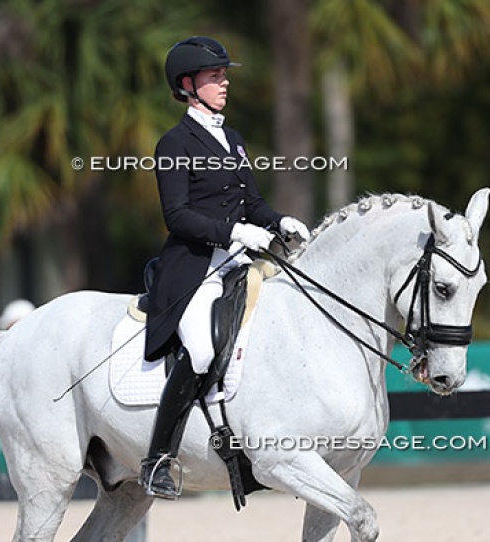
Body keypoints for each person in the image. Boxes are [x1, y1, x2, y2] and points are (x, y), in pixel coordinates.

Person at [139, 36, 310, 499]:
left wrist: (279, 221)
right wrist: (234, 233)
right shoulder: (173, 142)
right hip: (195, 269)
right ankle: (158, 459)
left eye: (224, 75)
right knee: (199, 348)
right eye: (215, 77)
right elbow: (177, 216)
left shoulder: (231, 139)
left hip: (239, 263)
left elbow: (250, 202)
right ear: (188, 85)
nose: (225, 82)